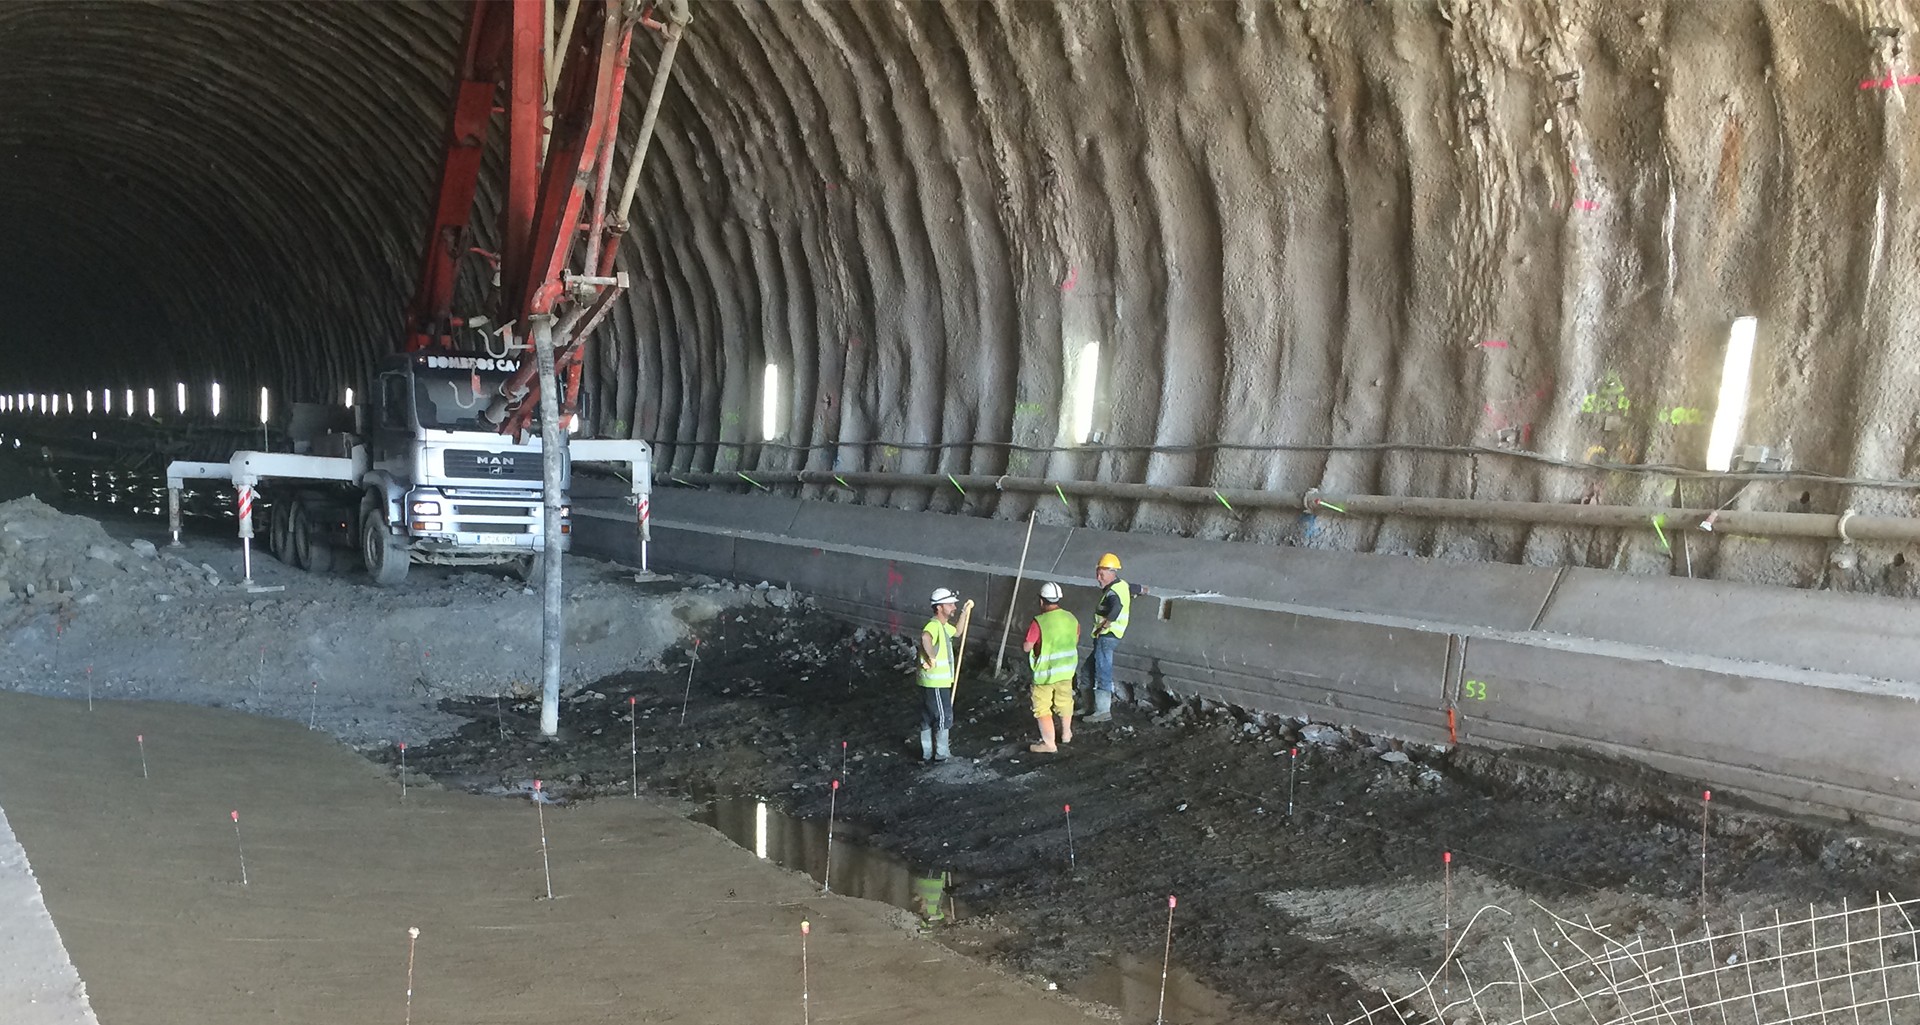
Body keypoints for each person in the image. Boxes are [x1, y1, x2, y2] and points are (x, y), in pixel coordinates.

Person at [1022, 581, 1080, 752]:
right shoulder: (1071, 618)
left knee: (1041, 706)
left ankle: (1049, 743)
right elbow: (1075, 640)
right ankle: (1066, 734)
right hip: (1067, 671)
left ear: (1041, 601)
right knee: (1065, 701)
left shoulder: (1039, 622)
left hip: (1046, 674)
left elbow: (1027, 646)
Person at [1084, 552, 1139, 723]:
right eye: (1097, 573)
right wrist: (1143, 590)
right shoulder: (1122, 585)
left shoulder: (1112, 593)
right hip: (1109, 637)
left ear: (1112, 572)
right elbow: (1134, 588)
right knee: (1088, 669)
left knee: (1102, 671)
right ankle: (1089, 707)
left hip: (1107, 636)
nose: (1098, 578)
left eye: (1102, 574)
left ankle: (1102, 711)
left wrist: (1105, 624)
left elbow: (1116, 608)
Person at [917, 587, 961, 762]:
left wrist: (966, 612)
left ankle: (927, 754)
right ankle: (942, 755)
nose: (953, 607)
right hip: (935, 682)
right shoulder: (933, 626)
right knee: (943, 716)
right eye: (950, 604)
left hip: (933, 682)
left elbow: (957, 633)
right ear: (939, 607)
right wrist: (932, 656)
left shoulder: (943, 627)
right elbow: (925, 638)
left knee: (927, 716)